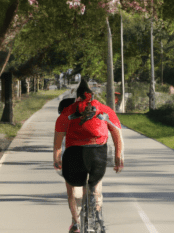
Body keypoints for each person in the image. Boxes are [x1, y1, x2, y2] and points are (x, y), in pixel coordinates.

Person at [53, 78, 124, 233]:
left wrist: (56, 157)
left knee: (72, 189)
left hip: (73, 155)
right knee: (96, 185)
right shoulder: (103, 110)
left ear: (77, 97)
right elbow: (117, 131)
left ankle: (76, 223)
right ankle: (97, 215)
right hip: (97, 153)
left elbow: (58, 138)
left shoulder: (68, 110)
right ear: (92, 97)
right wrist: (118, 155)